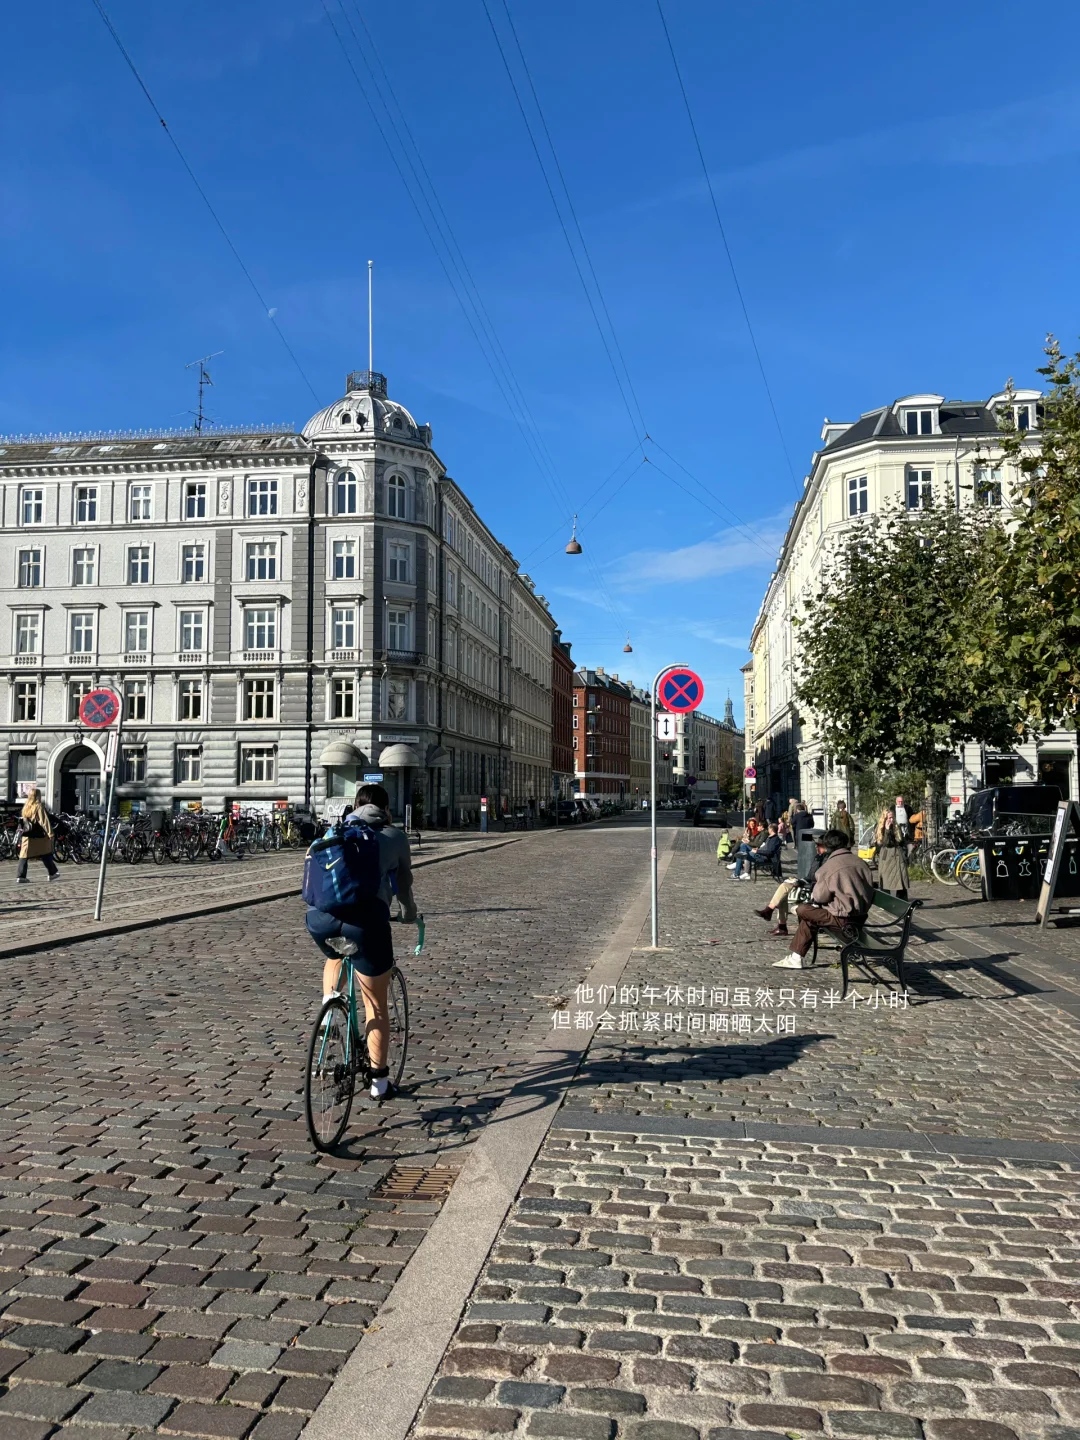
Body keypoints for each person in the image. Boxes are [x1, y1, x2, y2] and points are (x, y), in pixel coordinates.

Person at [304, 784, 417, 1104]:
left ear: (355, 806)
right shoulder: (394, 836)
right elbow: (404, 885)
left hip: (320, 920)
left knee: (336, 955)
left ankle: (330, 1009)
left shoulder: (333, 830)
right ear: (387, 808)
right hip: (366, 923)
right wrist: (408, 915)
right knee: (376, 1006)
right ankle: (379, 1083)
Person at [775, 828, 874, 970]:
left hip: (842, 920)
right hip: (860, 917)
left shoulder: (829, 867)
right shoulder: (861, 863)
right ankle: (796, 957)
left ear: (827, 846)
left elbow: (819, 897)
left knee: (802, 909)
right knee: (811, 917)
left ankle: (796, 958)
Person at [755, 835, 827, 937]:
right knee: (784, 888)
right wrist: (799, 881)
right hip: (807, 884)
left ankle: (774, 917)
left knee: (784, 889)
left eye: (818, 845)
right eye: (816, 845)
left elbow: (817, 879)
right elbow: (810, 876)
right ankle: (778, 922)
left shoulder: (826, 859)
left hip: (814, 889)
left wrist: (801, 882)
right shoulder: (818, 857)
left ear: (826, 847)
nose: (816, 847)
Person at [16, 789, 60, 885]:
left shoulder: (26, 806)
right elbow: (43, 821)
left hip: (27, 835)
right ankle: (52, 873)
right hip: (38, 835)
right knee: (46, 853)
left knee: (24, 855)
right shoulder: (38, 806)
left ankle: (21, 876)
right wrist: (50, 833)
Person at [875, 808, 910, 899]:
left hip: (897, 855)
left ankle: (902, 900)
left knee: (901, 879)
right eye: (889, 818)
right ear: (884, 818)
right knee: (885, 879)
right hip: (886, 857)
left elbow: (900, 841)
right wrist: (887, 830)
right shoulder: (880, 828)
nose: (891, 820)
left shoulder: (896, 827)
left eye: (892, 818)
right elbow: (885, 843)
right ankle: (885, 900)